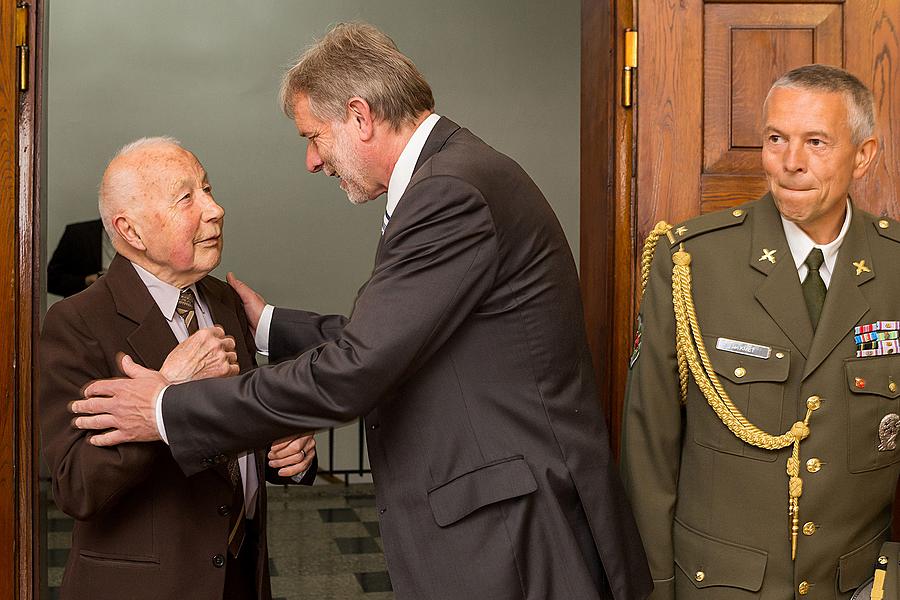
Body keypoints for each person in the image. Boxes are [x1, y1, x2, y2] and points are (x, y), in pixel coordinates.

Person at [69, 23, 651, 600]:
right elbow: (406, 336)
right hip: (507, 520)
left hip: (514, 533)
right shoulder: (457, 173)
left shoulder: (447, 193)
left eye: (313, 137)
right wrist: (269, 323)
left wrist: (170, 409)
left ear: (360, 117)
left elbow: (355, 370)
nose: (312, 161)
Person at [620, 64, 896, 598]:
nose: (791, 163)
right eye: (776, 139)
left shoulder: (896, 267)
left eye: (816, 142)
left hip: (858, 586)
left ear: (863, 155)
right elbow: (647, 451)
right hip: (719, 587)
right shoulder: (691, 263)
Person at [40, 137, 317, 600]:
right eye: (187, 197)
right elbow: (76, 486)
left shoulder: (224, 300)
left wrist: (283, 448)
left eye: (208, 189)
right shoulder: (77, 322)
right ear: (132, 232)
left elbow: (234, 426)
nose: (216, 209)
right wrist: (168, 398)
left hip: (241, 577)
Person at [46, 217, 111, 296]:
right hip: (89, 302)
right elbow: (51, 280)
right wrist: (86, 281)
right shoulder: (77, 234)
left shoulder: (129, 235)